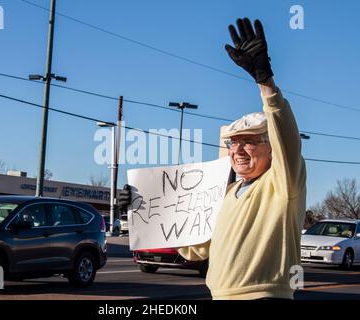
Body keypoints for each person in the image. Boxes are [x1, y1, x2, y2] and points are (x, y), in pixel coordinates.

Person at [119, 17, 306, 300]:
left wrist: (265, 83)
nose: (238, 150)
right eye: (234, 142)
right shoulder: (225, 193)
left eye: (250, 142)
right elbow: (194, 249)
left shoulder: (282, 185)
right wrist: (139, 212)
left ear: (271, 149)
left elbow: (287, 140)